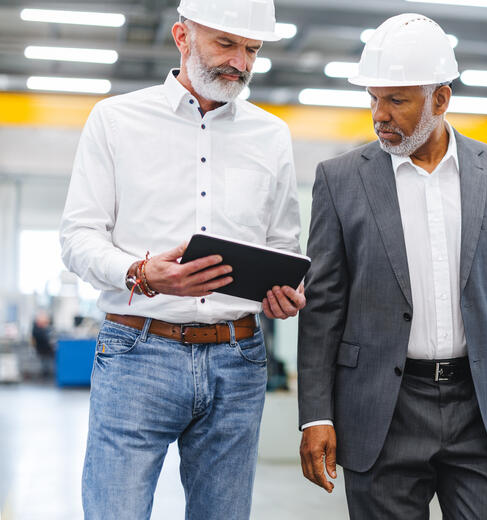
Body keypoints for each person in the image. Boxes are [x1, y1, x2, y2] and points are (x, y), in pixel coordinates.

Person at [297, 13, 487, 519]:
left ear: (440, 99)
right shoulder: (339, 181)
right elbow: (323, 307)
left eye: (396, 100)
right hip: (382, 409)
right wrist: (315, 414)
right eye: (373, 98)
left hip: (481, 409)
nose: (380, 114)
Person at [59, 0, 305, 518]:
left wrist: (285, 292)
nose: (240, 62)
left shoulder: (271, 135)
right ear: (181, 37)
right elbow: (79, 237)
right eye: (225, 43)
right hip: (137, 352)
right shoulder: (116, 119)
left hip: (238, 360)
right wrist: (141, 273)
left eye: (252, 49)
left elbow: (284, 245)